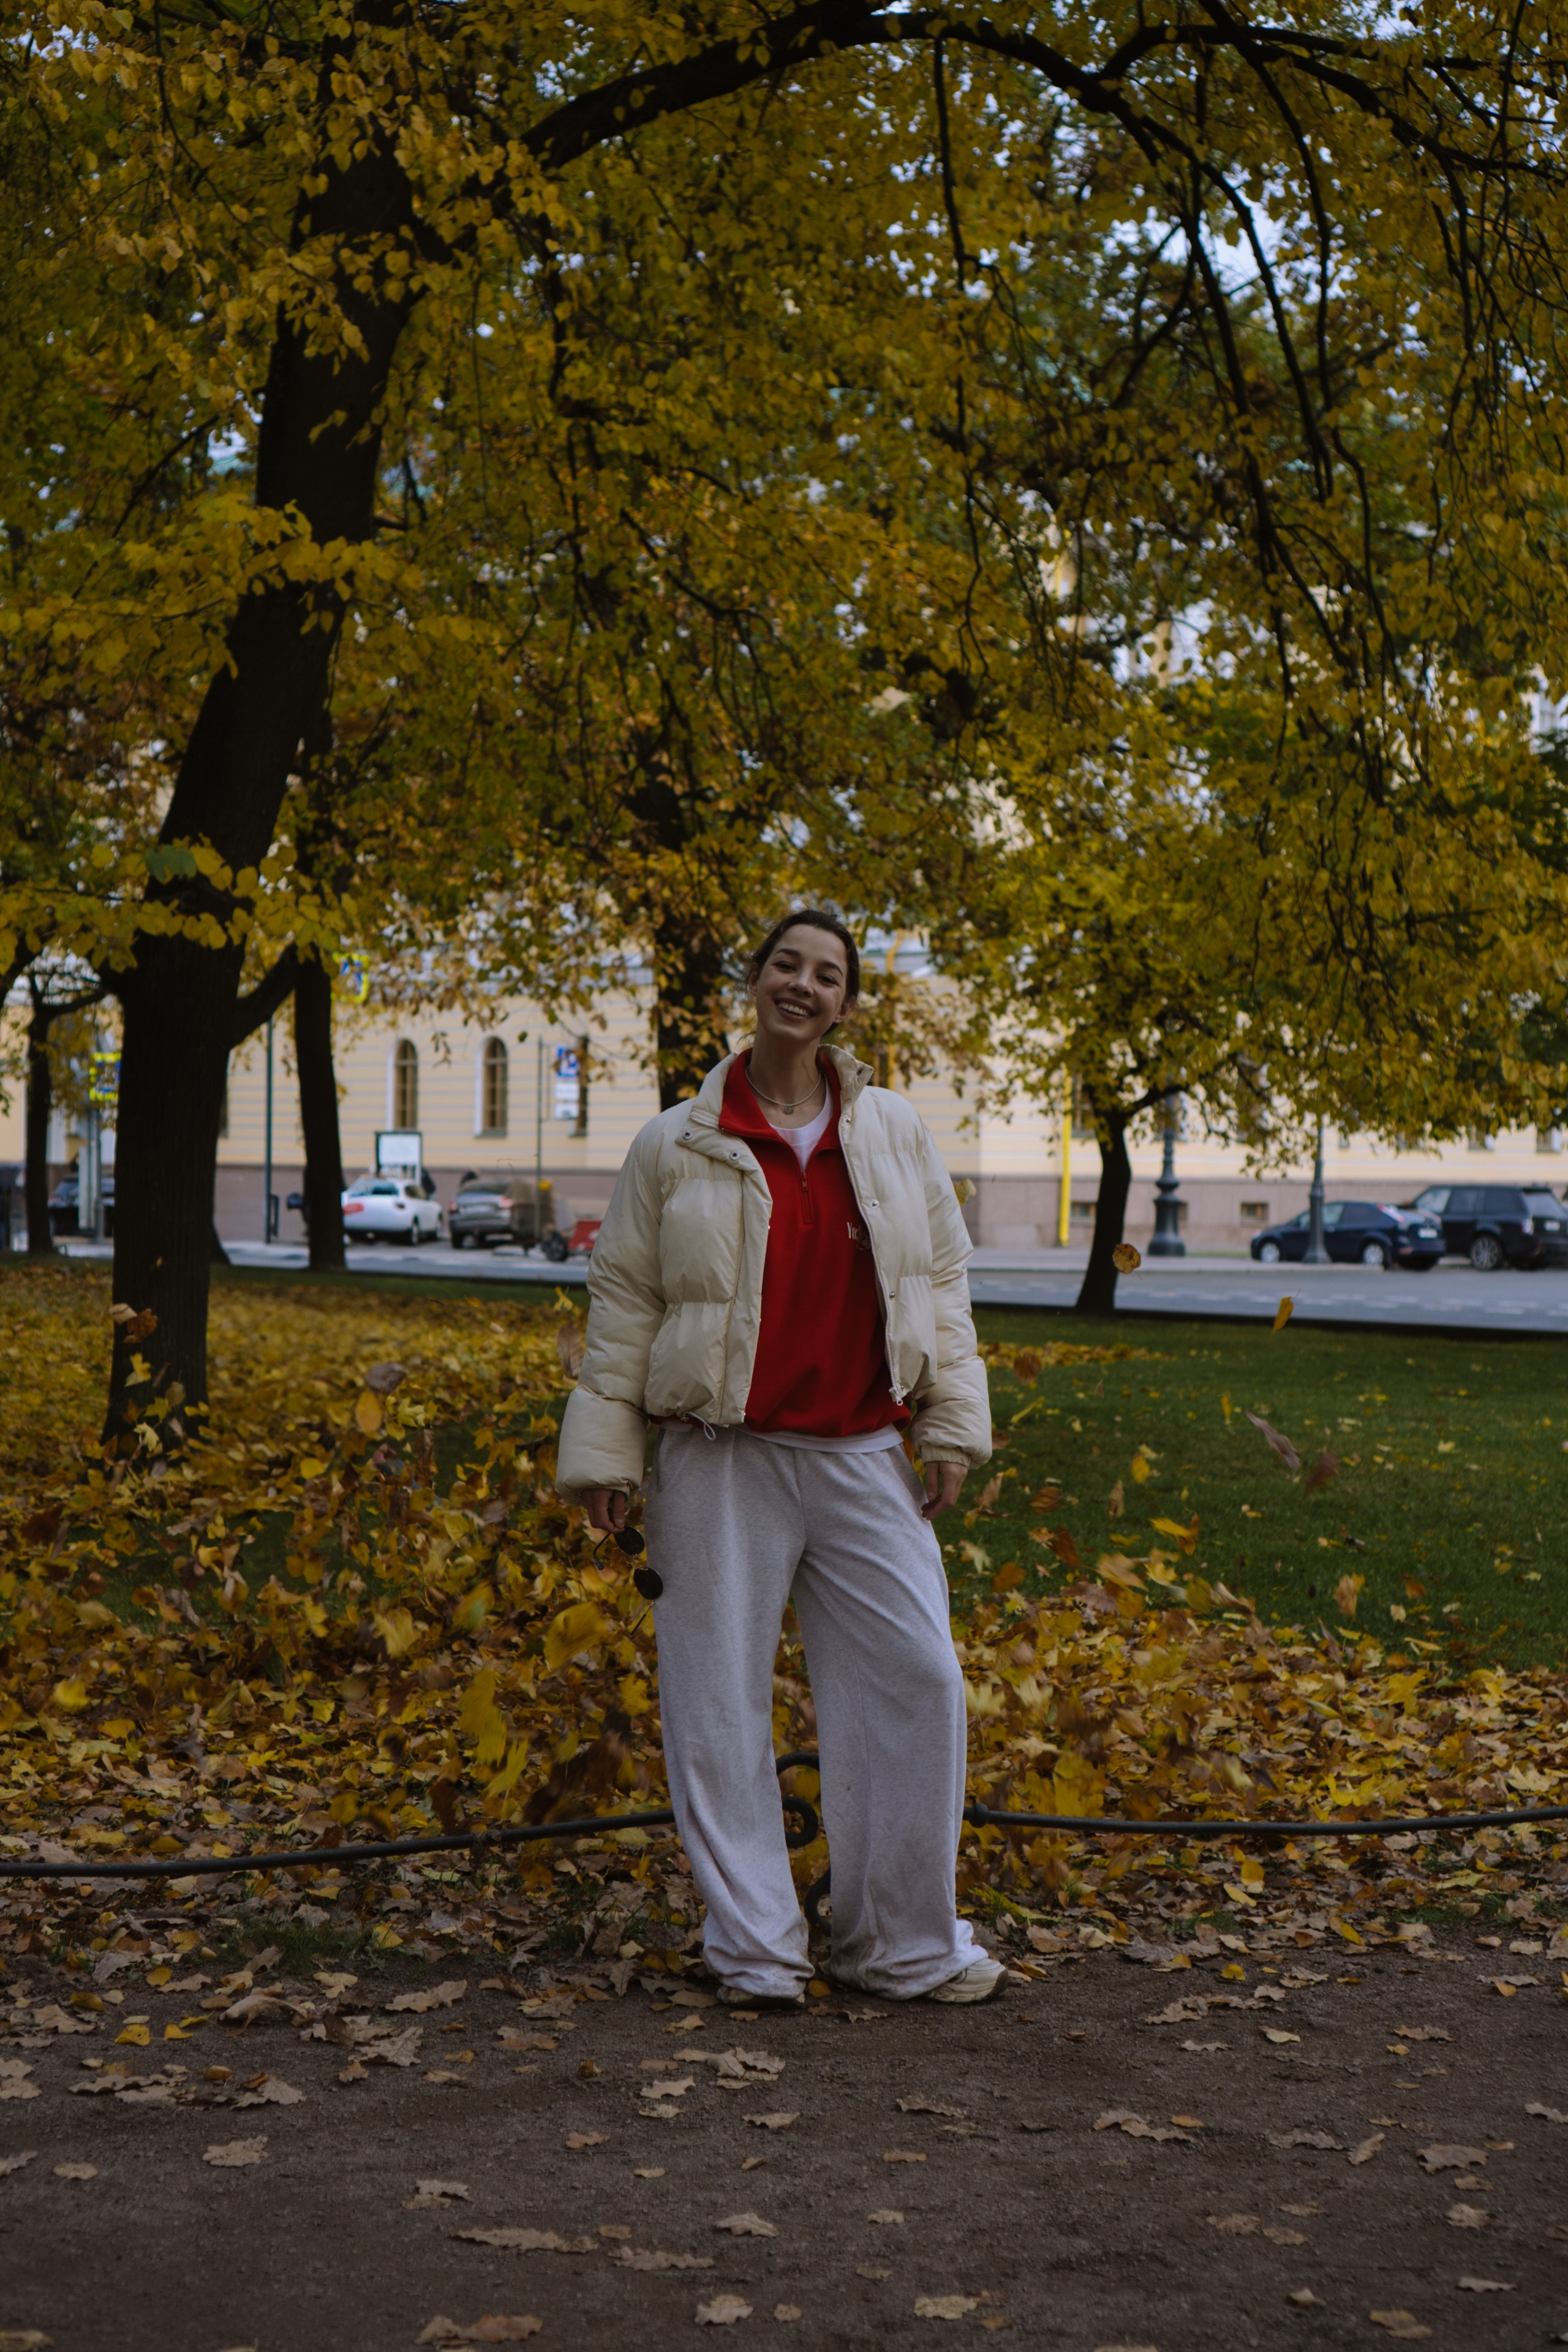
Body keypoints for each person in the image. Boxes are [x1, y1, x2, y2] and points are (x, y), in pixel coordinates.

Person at [556, 910, 999, 2008]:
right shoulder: (675, 1141)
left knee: (920, 1681)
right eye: (786, 966)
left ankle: (898, 1945)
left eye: (828, 975)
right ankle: (756, 1948)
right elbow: (625, 1305)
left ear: (846, 1003)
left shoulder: (891, 1130)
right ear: (754, 983)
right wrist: (606, 1455)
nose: (803, 985)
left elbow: (940, 1284)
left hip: (862, 1449)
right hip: (720, 1456)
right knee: (715, 1701)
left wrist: (949, 1424)